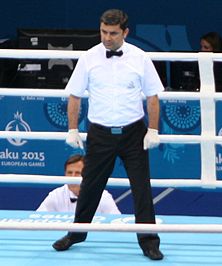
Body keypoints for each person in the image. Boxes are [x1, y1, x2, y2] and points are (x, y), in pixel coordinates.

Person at [53, 9, 164, 260]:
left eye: (113, 33)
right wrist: (72, 128)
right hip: (100, 134)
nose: (107, 38)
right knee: (90, 186)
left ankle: (149, 241)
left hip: (133, 133)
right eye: (104, 32)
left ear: (125, 32)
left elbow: (153, 96)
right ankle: (76, 234)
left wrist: (153, 129)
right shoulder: (89, 57)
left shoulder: (140, 58)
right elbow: (74, 95)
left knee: (141, 189)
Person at [36, 154, 121, 214]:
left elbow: (116, 222)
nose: (73, 177)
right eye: (69, 172)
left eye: (77, 173)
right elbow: (37, 218)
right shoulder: (55, 195)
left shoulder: (102, 196)